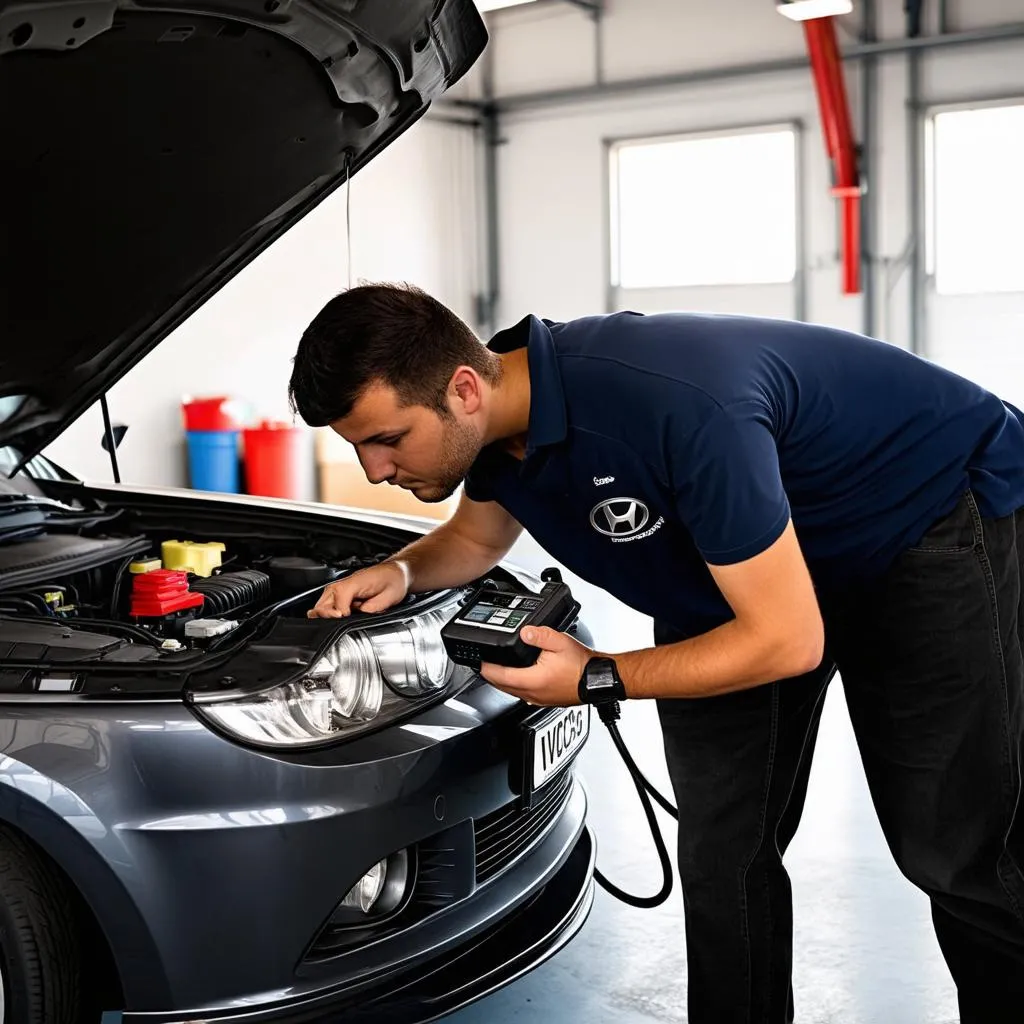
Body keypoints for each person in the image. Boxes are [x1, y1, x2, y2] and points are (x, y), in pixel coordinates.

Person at [287, 282, 1024, 1024]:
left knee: (955, 851)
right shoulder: (493, 423)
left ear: (466, 388)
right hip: (738, 572)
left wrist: (597, 676)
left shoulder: (674, 408)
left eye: (387, 439)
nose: (376, 469)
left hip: (923, 520)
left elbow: (787, 639)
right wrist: (403, 568)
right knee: (721, 850)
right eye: (359, 448)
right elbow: (477, 538)